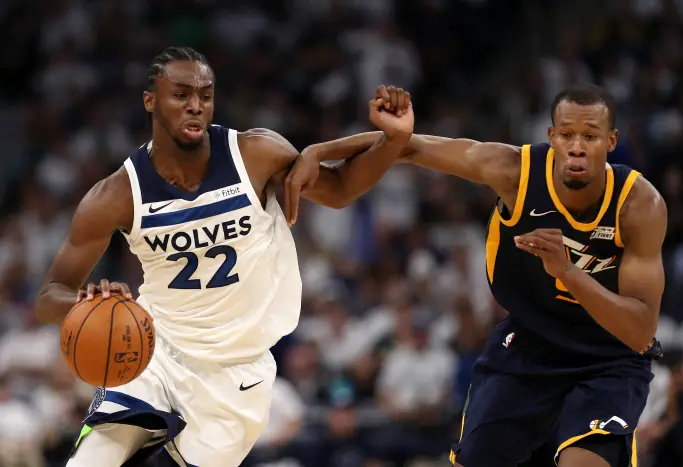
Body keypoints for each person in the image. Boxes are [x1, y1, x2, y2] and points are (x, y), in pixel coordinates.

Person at [33, 46, 414, 467]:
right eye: (180, 95)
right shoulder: (117, 194)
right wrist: (89, 303)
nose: (195, 106)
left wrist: (392, 139)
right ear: (150, 101)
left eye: (205, 95)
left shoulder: (254, 154)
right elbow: (50, 295)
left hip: (238, 370)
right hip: (155, 349)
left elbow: (340, 188)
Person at [331, 83, 666, 467]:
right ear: (551, 137)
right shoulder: (515, 171)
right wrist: (317, 152)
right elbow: (408, 146)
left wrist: (569, 272)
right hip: (529, 344)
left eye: (589, 136)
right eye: (568, 135)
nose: (577, 146)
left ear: (611, 141)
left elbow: (641, 333)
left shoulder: (639, 204)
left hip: (607, 358)